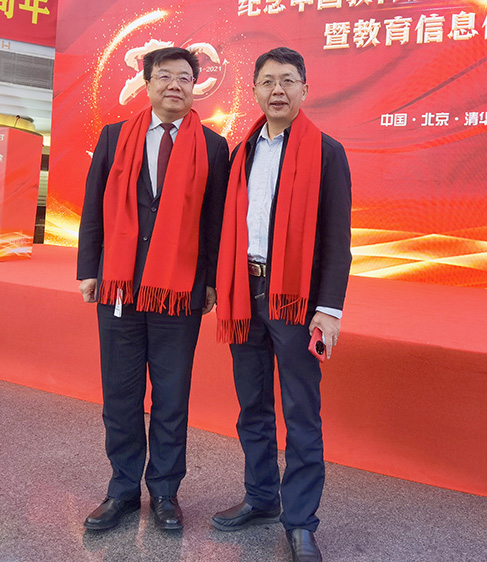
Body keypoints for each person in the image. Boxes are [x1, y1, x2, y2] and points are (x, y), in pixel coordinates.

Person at [76, 46, 229, 532]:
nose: (174, 85)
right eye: (164, 76)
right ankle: (121, 490)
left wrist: (209, 281)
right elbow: (94, 205)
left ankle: (164, 491)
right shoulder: (114, 136)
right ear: (147, 84)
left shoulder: (213, 146)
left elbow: (215, 222)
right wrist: (89, 268)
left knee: (171, 396)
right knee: (120, 395)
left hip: (178, 292)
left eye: (185, 77)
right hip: (119, 286)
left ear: (195, 86)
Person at [212, 47, 352, 562]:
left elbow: (337, 240)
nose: (277, 90)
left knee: (300, 411)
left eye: (288, 80)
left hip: (294, 300)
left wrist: (328, 309)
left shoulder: (327, 152)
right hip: (244, 292)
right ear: (254, 90)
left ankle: (300, 522)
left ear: (304, 90)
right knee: (252, 405)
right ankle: (261, 498)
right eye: (268, 81)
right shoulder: (242, 151)